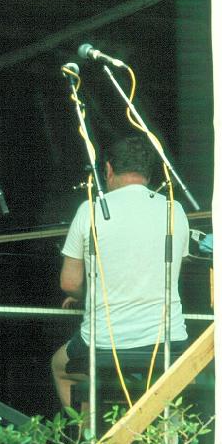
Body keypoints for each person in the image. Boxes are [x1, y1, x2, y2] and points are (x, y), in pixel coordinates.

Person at [51, 136, 190, 408]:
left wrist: (86, 294)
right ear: (149, 174)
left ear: (108, 170)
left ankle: (93, 442)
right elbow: (171, 272)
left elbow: (69, 283)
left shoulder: (89, 210)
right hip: (167, 342)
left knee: (61, 367)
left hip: (104, 343)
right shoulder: (175, 210)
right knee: (167, 390)